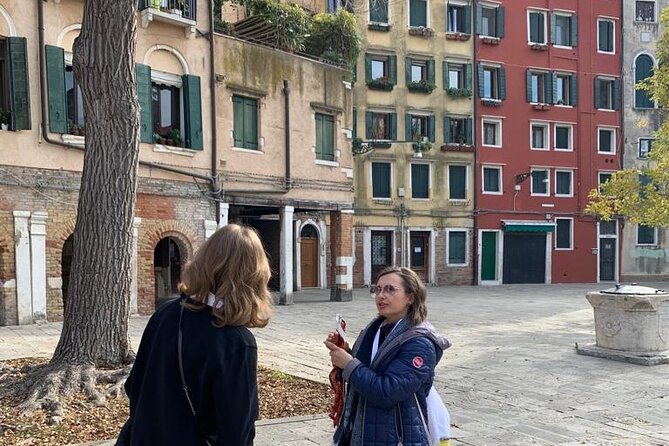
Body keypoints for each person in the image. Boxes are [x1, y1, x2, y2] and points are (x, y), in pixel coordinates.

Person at [116, 223, 273, 446]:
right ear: (253, 276)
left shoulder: (165, 313)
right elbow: (237, 433)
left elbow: (134, 386)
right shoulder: (236, 342)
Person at [324, 266, 450, 446]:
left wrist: (349, 364)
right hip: (362, 430)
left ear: (411, 297)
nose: (381, 295)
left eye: (390, 289)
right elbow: (370, 368)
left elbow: (388, 391)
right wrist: (346, 352)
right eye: (378, 289)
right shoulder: (374, 330)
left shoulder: (420, 344)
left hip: (397, 436)